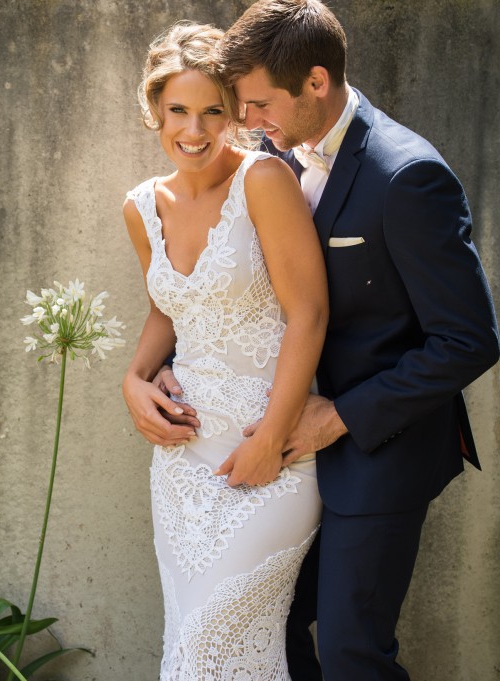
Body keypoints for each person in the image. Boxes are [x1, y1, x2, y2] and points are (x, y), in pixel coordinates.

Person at [145, 2, 500, 679]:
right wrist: (153, 370)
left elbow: (469, 340)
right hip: (273, 445)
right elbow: (225, 283)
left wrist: (338, 415)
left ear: (315, 82)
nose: (245, 124)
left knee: (349, 650)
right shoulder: (276, 151)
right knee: (266, 631)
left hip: (377, 445)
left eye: (255, 104)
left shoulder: (408, 176)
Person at [121, 21, 329, 679]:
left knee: (211, 644)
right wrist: (133, 380)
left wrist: (271, 437)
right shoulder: (140, 206)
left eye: (214, 110)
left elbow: (309, 313)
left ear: (236, 113)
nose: (195, 128)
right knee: (188, 642)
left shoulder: (264, 180)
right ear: (155, 108)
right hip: (182, 464)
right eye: (178, 109)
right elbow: (169, 305)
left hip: (271, 453)